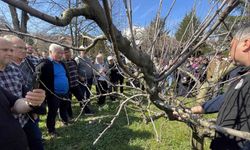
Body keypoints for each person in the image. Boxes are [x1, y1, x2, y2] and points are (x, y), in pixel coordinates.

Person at [0, 37, 45, 150]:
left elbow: (20, 96)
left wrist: (32, 103)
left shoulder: (15, 70)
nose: (9, 53)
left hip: (24, 119)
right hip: (6, 129)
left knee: (37, 144)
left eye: (11, 50)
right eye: (5, 50)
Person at [36, 44, 70, 137]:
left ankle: (64, 120)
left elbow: (66, 75)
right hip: (53, 94)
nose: (61, 55)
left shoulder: (62, 63)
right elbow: (37, 78)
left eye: (62, 53)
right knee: (52, 112)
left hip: (65, 92)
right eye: (58, 53)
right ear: (50, 52)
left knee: (64, 107)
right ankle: (51, 130)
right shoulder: (45, 63)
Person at [63, 47, 93, 115]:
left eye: (68, 52)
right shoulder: (63, 63)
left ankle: (87, 111)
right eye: (65, 52)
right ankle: (69, 115)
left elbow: (76, 71)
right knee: (68, 101)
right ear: (63, 54)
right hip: (68, 86)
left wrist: (79, 77)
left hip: (76, 84)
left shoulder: (73, 61)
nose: (67, 54)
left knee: (81, 98)